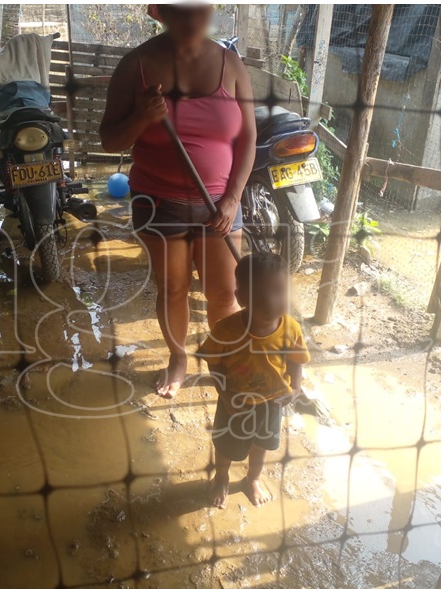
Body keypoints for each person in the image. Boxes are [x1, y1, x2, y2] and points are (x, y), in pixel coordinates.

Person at [98, 4, 256, 398]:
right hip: (158, 202)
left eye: (201, 8)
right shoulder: (135, 66)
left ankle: (224, 360)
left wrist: (234, 197)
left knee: (224, 293)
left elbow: (248, 137)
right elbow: (109, 139)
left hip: (220, 202)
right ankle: (178, 358)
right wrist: (141, 118)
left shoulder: (230, 65)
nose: (193, 18)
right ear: (160, 12)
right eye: (182, 9)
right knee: (174, 288)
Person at [196, 252, 310, 508]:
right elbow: (213, 362)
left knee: (263, 444)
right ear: (240, 298)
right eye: (259, 295)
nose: (271, 301)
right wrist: (225, 396)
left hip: (273, 402)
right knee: (226, 446)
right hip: (235, 403)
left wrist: (296, 387)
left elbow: (296, 360)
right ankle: (222, 477)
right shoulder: (226, 329)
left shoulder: (290, 328)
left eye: (279, 291)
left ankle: (253, 479)